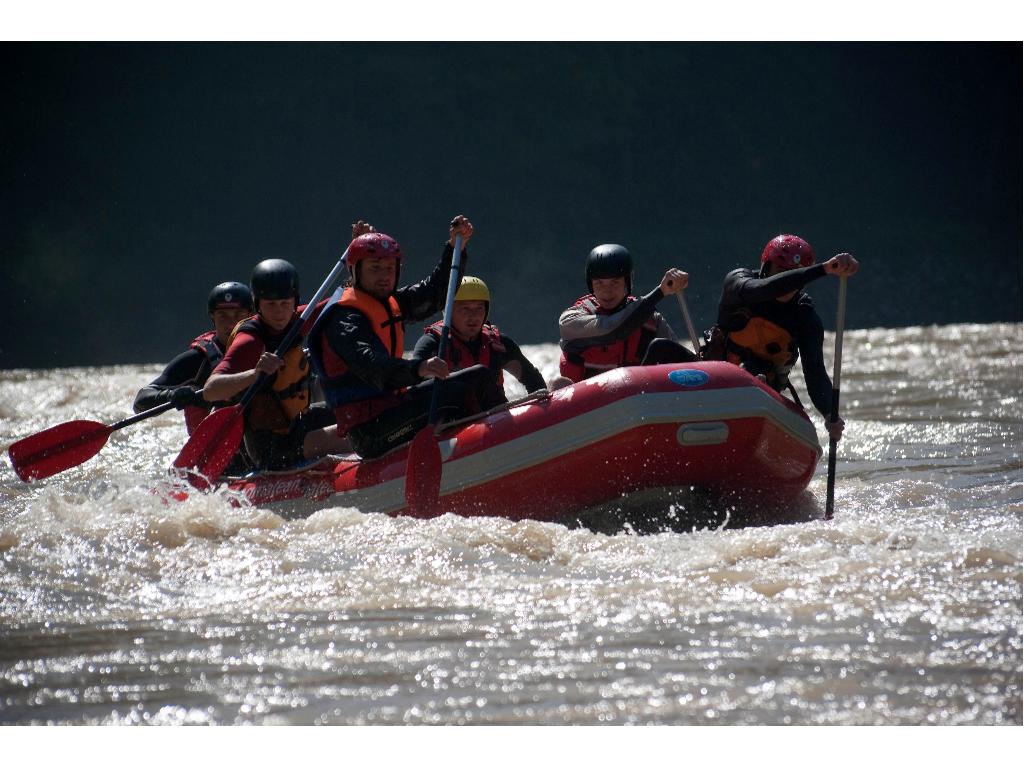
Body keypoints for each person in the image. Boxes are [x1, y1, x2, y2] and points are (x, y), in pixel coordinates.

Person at [307, 215, 502, 459]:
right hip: (370, 431)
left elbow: (434, 294)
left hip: (394, 408)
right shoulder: (344, 320)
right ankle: (495, 449)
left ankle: (504, 439)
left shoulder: (391, 302)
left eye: (390, 268)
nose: (384, 276)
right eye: (375, 268)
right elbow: (373, 366)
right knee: (456, 392)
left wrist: (455, 249)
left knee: (479, 377)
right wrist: (420, 368)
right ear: (355, 271)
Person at [703, 233, 859, 440]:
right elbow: (765, 288)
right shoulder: (739, 284)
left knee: (750, 371)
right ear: (765, 268)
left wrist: (830, 414)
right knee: (660, 347)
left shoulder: (804, 316)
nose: (786, 284)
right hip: (711, 381)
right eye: (780, 272)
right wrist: (824, 269)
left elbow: (815, 373)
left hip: (762, 390)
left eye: (794, 276)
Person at [202, 258, 350, 470]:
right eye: (271, 305)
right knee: (353, 435)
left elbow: (343, 296)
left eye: (285, 303)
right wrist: (254, 374)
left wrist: (356, 259)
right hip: (271, 447)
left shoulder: (297, 320)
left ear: (294, 301)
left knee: (359, 414)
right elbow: (210, 390)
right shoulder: (250, 340)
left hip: (300, 423)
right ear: (258, 305)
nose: (279, 312)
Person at [556, 243, 697, 384]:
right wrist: (661, 292)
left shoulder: (651, 320)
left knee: (663, 348)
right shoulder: (571, 319)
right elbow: (611, 330)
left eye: (615, 282)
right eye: (599, 283)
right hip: (588, 401)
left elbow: (680, 363)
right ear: (590, 284)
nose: (607, 291)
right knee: (557, 384)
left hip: (639, 397)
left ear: (627, 283)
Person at [133, 281, 254, 435]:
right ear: (212, 317)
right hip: (214, 447)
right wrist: (171, 395)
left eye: (238, 315)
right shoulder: (198, 360)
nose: (231, 324)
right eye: (222, 315)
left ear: (251, 315)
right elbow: (140, 402)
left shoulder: (266, 349)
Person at [411, 275, 547, 400]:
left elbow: (534, 382)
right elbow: (414, 386)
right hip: (453, 419)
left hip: (495, 416)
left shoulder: (499, 344)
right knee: (478, 373)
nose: (473, 316)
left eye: (479, 309)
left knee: (559, 383)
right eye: (465, 309)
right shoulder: (432, 343)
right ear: (449, 312)